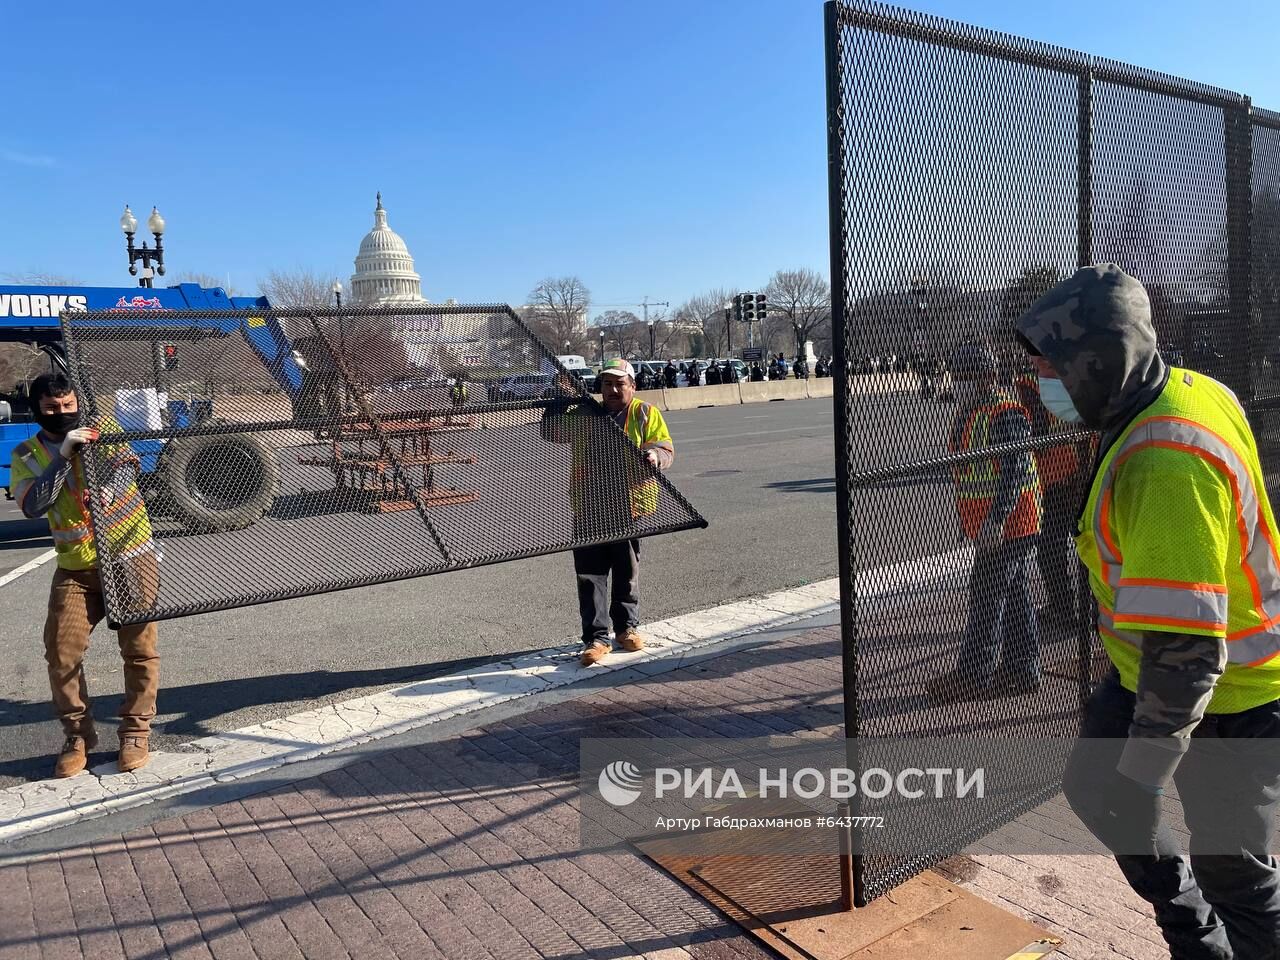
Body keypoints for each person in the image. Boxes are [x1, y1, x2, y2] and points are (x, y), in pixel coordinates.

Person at [1017, 264, 1280, 958]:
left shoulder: (1164, 463)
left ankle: (1210, 941)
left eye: (1055, 367)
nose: (1043, 383)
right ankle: (1195, 935)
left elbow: (1189, 653)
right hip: (1151, 676)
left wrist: (1145, 773)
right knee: (1097, 789)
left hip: (1229, 701)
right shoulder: (1181, 391)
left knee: (1238, 880)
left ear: (1102, 363)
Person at [10, 373, 161, 777]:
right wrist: (63, 454)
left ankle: (135, 731)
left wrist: (111, 485)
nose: (62, 412)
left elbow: (127, 467)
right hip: (75, 567)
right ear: (38, 409)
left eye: (67, 404)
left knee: (139, 648)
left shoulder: (103, 430)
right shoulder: (27, 454)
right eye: (51, 408)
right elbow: (33, 506)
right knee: (62, 654)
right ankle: (78, 735)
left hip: (128, 553)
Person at [926, 343, 1042, 703]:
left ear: (986, 378)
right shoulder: (972, 411)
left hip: (1012, 521)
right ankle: (1024, 670)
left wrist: (996, 518)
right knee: (1017, 593)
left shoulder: (1004, 412)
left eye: (964, 378)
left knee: (987, 596)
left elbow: (1015, 468)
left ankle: (974, 676)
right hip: (999, 523)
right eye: (956, 377)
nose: (957, 384)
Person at [542, 359, 675, 667]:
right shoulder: (585, 412)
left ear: (632, 386)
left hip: (630, 504)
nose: (613, 390)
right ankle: (596, 638)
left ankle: (626, 629)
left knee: (626, 572)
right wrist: (559, 399)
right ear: (599, 387)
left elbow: (665, 446)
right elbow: (551, 432)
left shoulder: (645, 413)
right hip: (589, 504)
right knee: (590, 575)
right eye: (607, 384)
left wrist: (655, 455)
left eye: (619, 384)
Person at [1012, 366, 1086, 633]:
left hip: (1052, 475)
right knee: (1081, 543)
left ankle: (1064, 610)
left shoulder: (1030, 384)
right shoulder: (1070, 375)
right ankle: (1087, 610)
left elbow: (1037, 430)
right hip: (1075, 466)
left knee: (1050, 549)